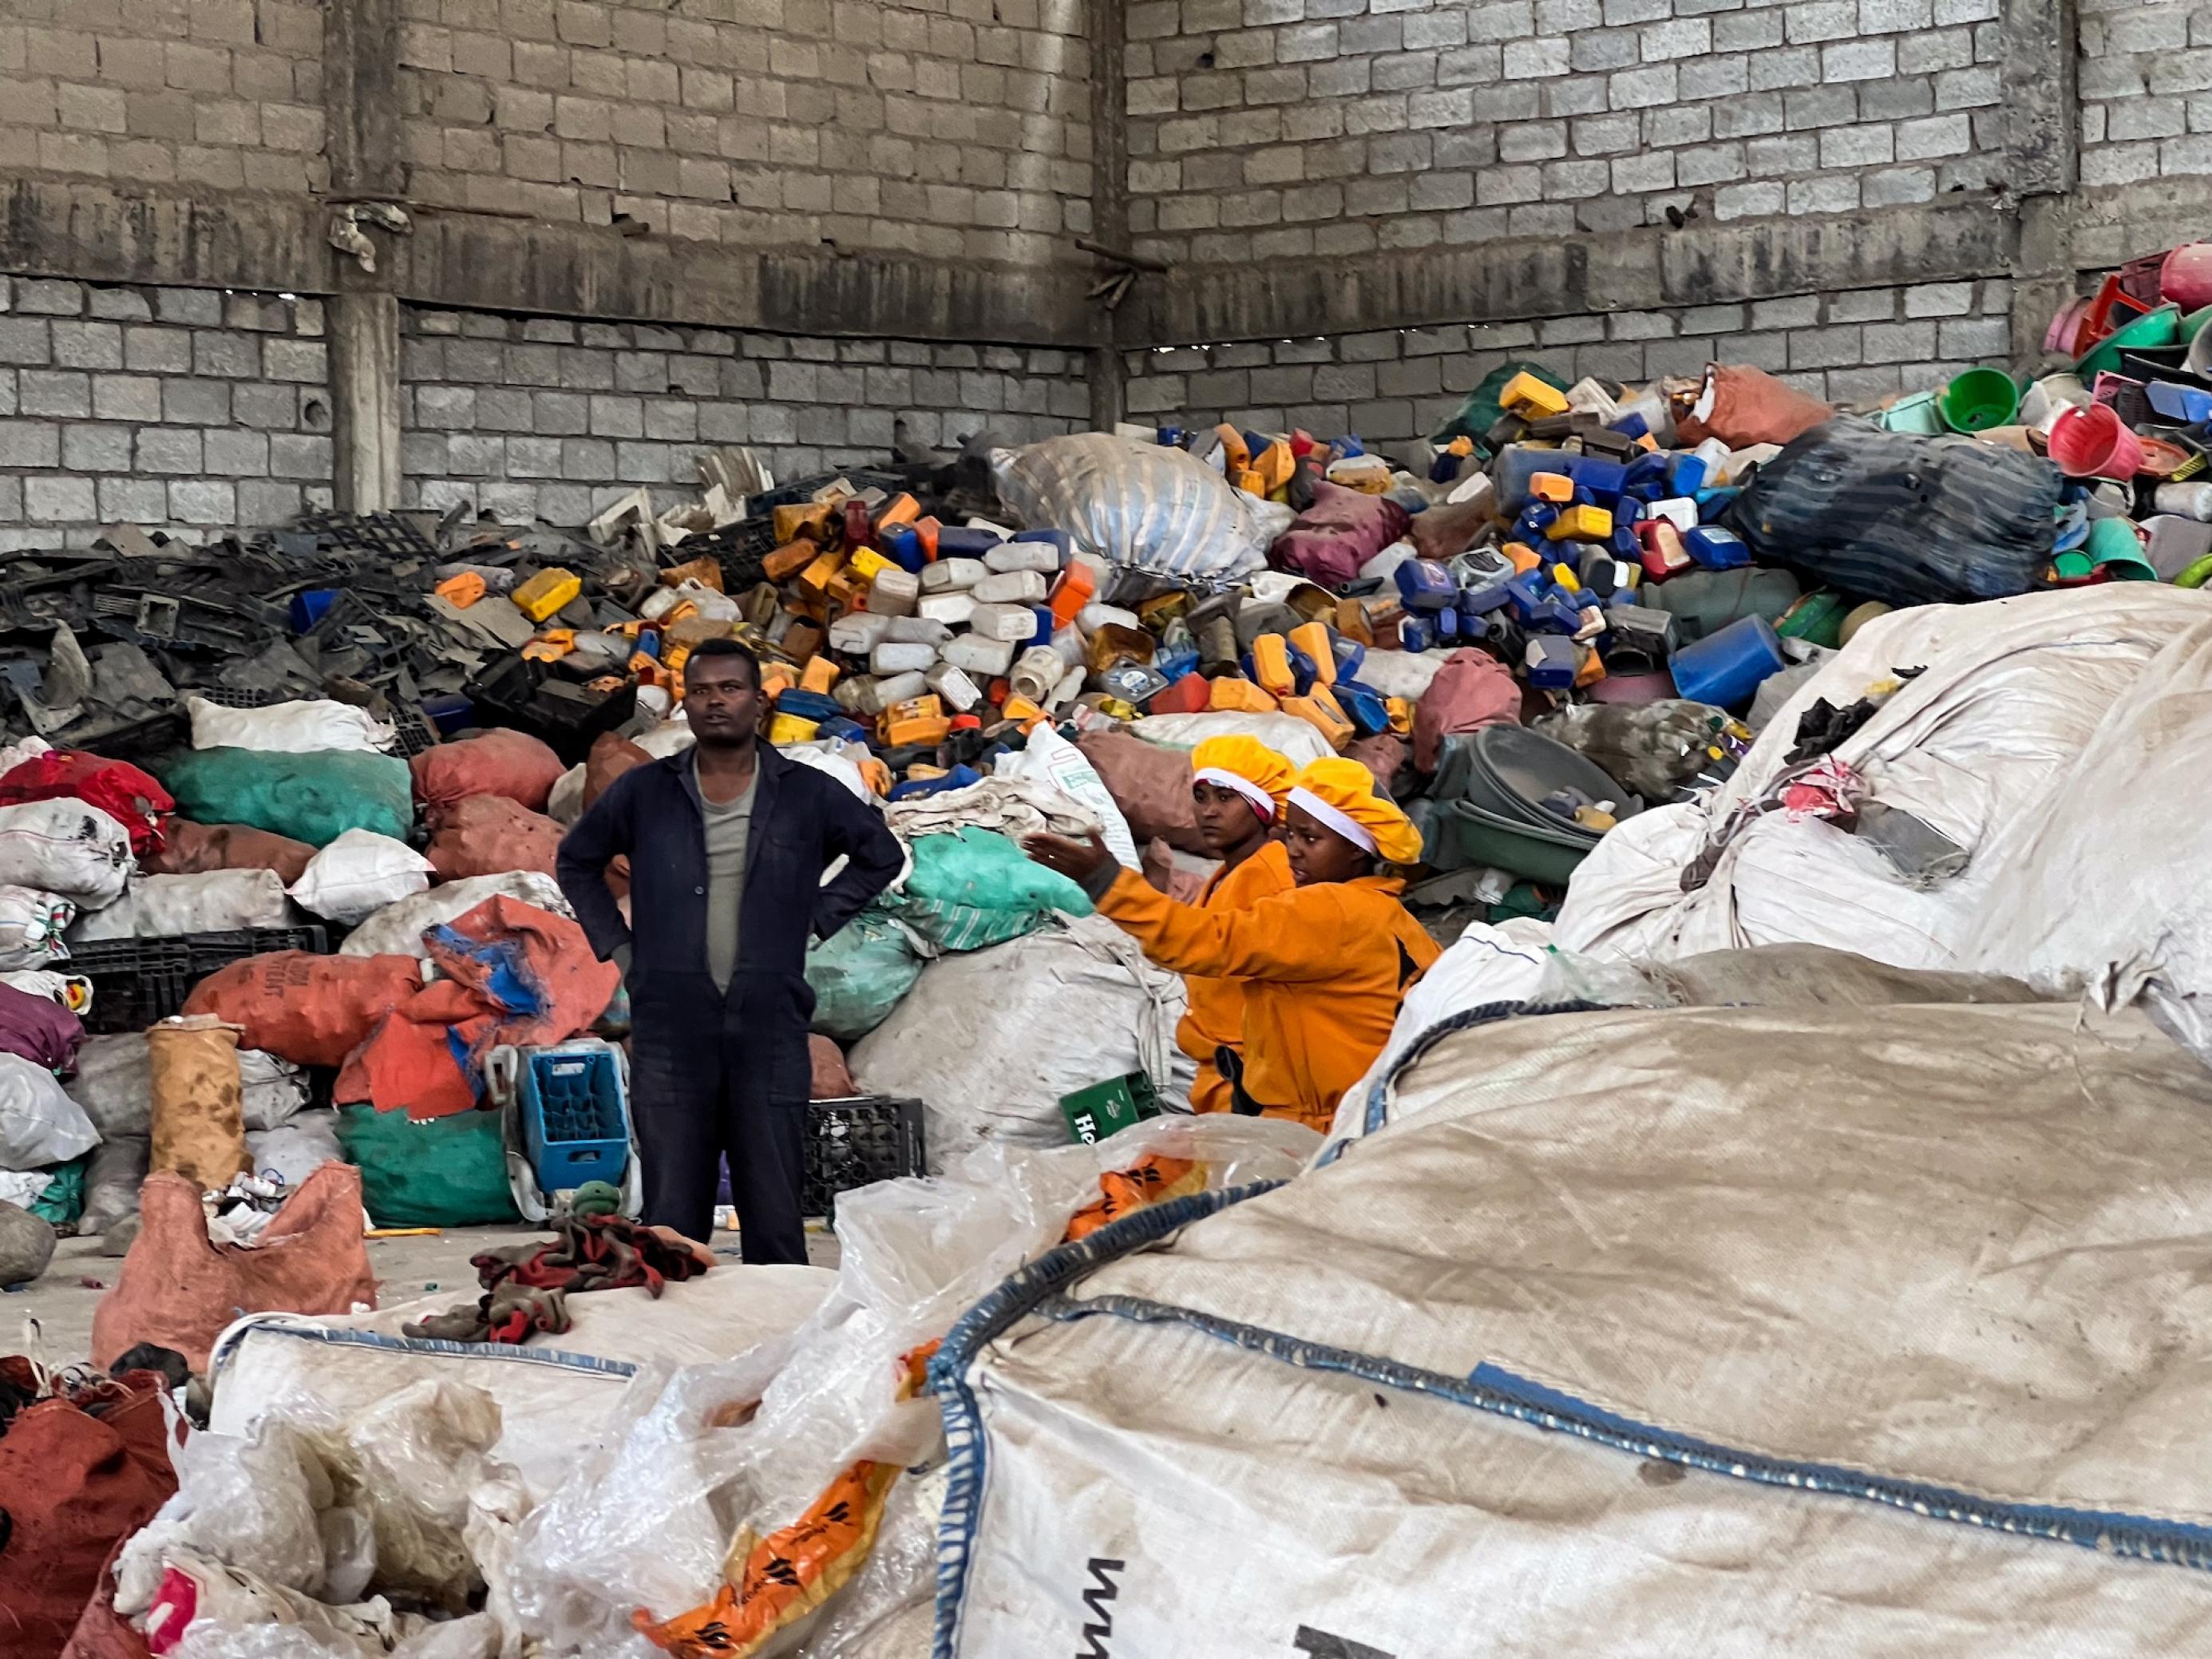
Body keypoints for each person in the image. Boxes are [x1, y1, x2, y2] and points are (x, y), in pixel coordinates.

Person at [557, 638, 903, 1259]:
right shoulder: (646, 792)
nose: (715, 701)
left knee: (773, 1207)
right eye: (701, 690)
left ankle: (776, 1339)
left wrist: (816, 917)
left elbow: (881, 855)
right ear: (685, 703)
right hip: (669, 1025)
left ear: (758, 703)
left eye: (730, 688)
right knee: (671, 1217)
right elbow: (576, 862)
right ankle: (683, 1341)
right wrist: (621, 949)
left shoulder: (805, 793)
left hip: (768, 1021)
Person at [1027, 756, 1439, 1134]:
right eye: (1291, 834)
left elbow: (1205, 941)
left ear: (1356, 851)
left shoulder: (1330, 908)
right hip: (1363, 1113)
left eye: (1311, 839)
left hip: (1317, 1129)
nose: (1292, 850)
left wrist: (1108, 883)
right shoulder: (1392, 915)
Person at [1177, 735, 1297, 1115]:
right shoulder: (1231, 873)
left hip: (1258, 1081)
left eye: (1226, 798)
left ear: (1261, 809)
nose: (1209, 811)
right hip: (1224, 1070)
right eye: (1202, 798)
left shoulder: (1274, 877)